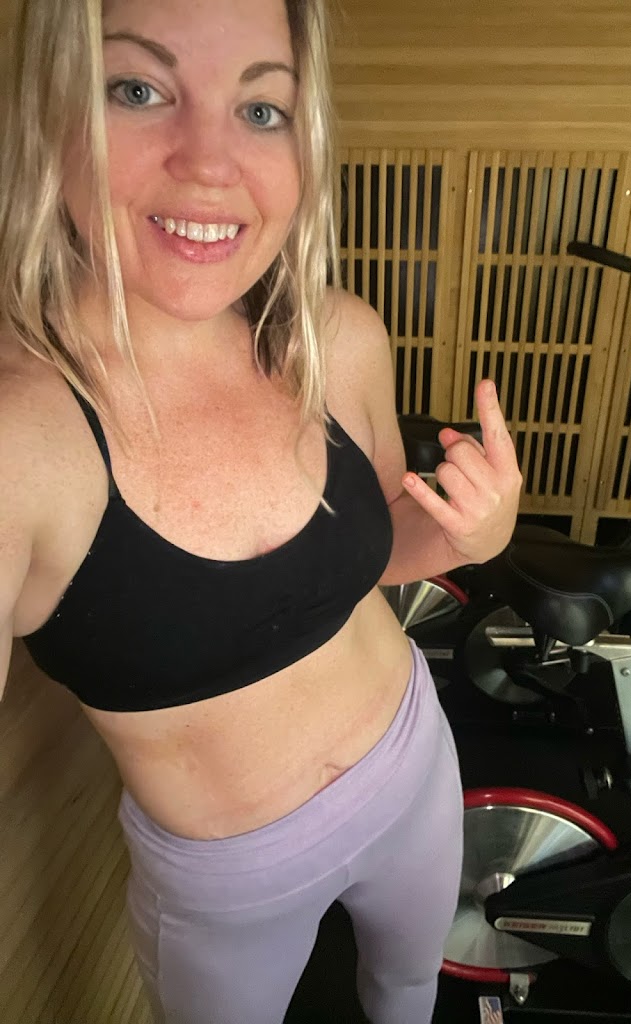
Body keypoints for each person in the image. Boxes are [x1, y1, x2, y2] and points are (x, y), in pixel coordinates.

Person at [0, 0, 522, 1022]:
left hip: (413, 760)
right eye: (137, 89)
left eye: (261, 109)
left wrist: (480, 532)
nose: (209, 162)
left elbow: (380, 548)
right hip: (230, 879)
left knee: (410, 990)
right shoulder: (20, 440)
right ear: (48, 116)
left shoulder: (336, 338)